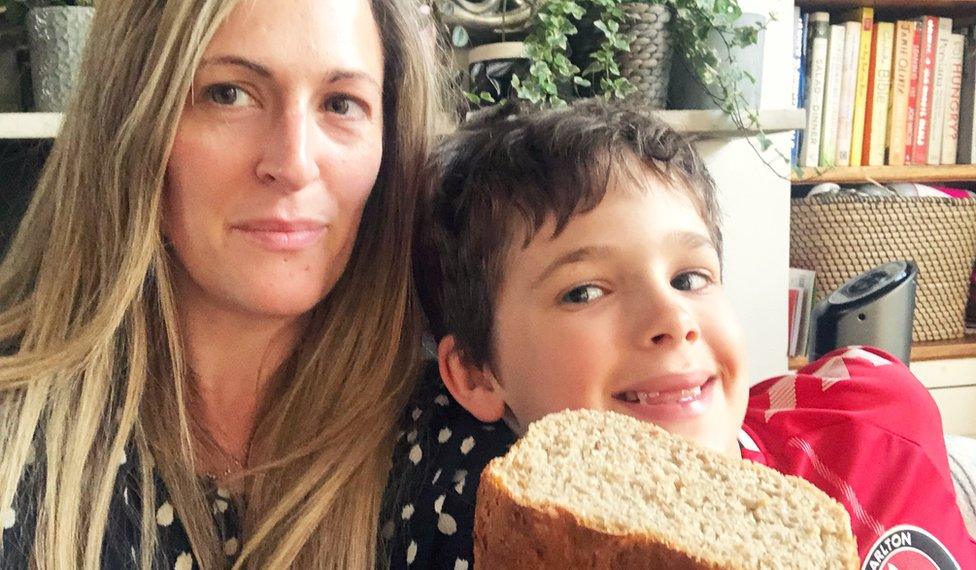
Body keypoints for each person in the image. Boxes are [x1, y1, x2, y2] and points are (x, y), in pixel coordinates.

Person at [386, 99, 976, 569]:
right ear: (475, 374)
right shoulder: (471, 533)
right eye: (584, 291)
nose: (672, 319)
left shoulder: (870, 426)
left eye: (690, 278)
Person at [0, 0, 449, 567]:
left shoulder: (453, 449)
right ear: (133, 123)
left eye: (341, 104)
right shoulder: (17, 448)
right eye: (229, 94)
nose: (293, 162)